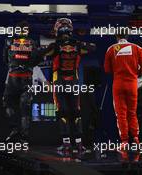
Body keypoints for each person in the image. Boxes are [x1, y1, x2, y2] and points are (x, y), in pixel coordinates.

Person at [43, 18, 96, 157]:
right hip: (73, 81)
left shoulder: (54, 46)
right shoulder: (77, 45)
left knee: (62, 111)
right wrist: (77, 44)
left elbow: (39, 54)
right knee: (76, 111)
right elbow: (92, 47)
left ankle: (66, 143)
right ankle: (79, 143)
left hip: (59, 82)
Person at [104, 34, 142, 161]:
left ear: (116, 37)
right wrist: (136, 72)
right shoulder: (137, 48)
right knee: (132, 113)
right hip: (132, 84)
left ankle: (124, 142)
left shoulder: (111, 49)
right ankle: (135, 139)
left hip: (118, 84)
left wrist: (118, 69)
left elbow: (107, 69)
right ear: (127, 36)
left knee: (121, 114)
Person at [3, 21, 43, 142]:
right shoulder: (32, 42)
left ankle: (14, 129)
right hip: (27, 78)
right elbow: (36, 61)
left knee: (8, 103)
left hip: (13, 77)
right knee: (25, 107)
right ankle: (24, 135)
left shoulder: (8, 41)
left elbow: (5, 59)